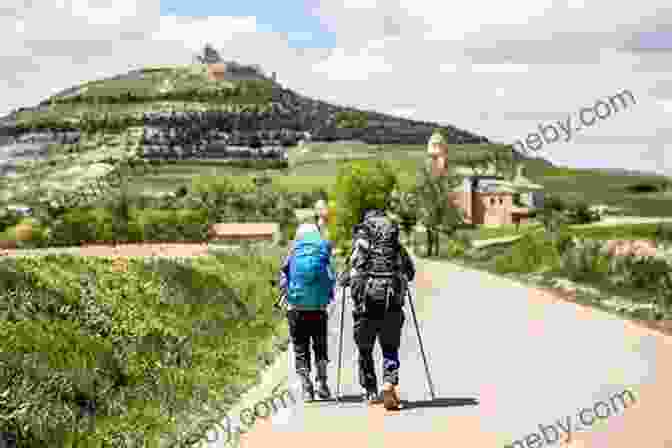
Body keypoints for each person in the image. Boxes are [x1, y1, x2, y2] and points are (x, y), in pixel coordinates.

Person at [345, 208, 415, 409]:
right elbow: (410, 273)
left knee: (365, 349)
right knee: (390, 349)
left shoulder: (360, 247)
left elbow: (344, 278)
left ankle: (370, 391)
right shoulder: (396, 248)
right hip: (392, 304)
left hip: (365, 308)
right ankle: (389, 383)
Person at [278, 223, 336, 401]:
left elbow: (283, 279)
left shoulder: (294, 251)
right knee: (320, 346)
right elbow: (330, 276)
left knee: (300, 348)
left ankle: (306, 388)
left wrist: (285, 294)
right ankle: (322, 384)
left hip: (296, 309)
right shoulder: (321, 251)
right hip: (318, 308)